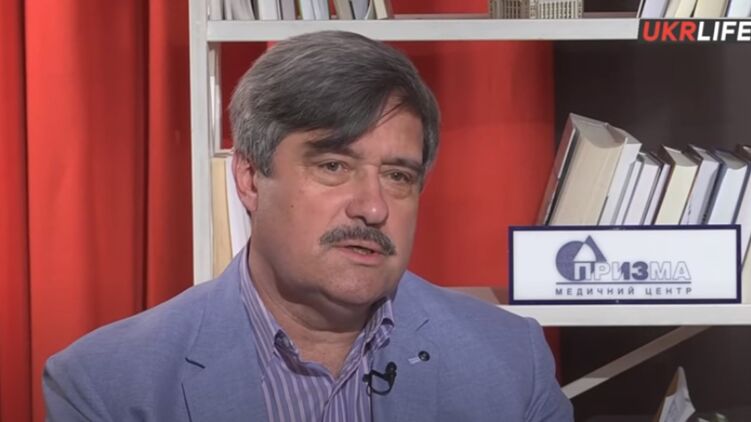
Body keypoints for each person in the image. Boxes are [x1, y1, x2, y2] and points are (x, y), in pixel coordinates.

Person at [43, 30, 573, 421]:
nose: (372, 208)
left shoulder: (510, 363)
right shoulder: (108, 385)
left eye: (397, 176)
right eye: (333, 166)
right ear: (250, 178)